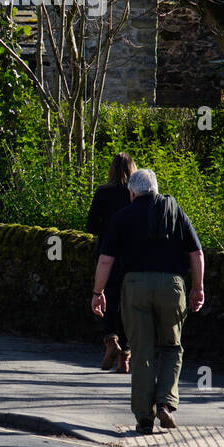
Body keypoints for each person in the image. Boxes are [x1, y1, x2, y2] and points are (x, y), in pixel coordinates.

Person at [93, 168, 205, 435]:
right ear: (155, 188)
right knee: (171, 346)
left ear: (132, 192)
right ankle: (166, 402)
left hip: (135, 286)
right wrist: (197, 288)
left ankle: (144, 417)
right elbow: (197, 253)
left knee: (142, 351)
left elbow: (105, 259)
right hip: (172, 286)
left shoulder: (123, 216)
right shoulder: (175, 211)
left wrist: (98, 293)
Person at [86, 152, 136, 372]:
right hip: (131, 255)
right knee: (128, 302)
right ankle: (125, 355)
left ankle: (110, 340)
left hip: (106, 252)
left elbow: (91, 226)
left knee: (105, 298)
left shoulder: (103, 193)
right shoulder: (135, 194)